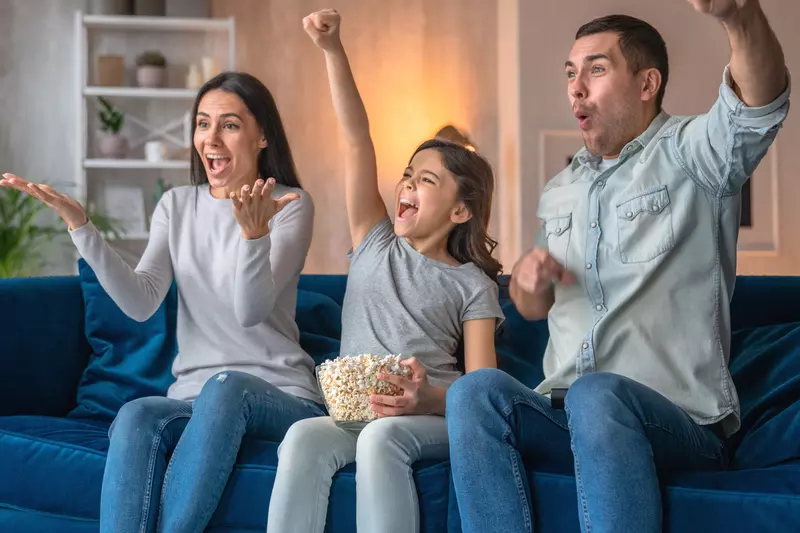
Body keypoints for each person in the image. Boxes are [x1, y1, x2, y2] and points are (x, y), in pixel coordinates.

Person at [446, 1, 790, 532]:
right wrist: (528, 280)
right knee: (474, 392)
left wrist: (738, 16)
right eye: (570, 73)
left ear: (647, 83)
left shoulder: (693, 155)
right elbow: (534, 307)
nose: (576, 87)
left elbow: (758, 105)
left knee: (598, 392)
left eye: (596, 69)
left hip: (677, 422)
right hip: (562, 413)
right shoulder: (561, 190)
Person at [2, 71, 326, 533]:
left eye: (230, 125)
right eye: (202, 123)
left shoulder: (289, 203)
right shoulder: (177, 205)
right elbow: (141, 301)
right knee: (137, 412)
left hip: (278, 393)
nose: (211, 138)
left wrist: (254, 236)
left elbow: (250, 312)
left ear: (262, 136)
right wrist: (81, 228)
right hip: (194, 395)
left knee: (226, 386)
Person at [265, 9, 505, 533]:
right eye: (406, 177)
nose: (406, 188)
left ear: (461, 210)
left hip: (428, 416)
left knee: (381, 438)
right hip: (356, 410)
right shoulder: (374, 241)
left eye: (425, 181)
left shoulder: (473, 286)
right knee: (303, 437)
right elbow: (356, 139)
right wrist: (333, 50)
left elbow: (483, 391)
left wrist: (428, 398)